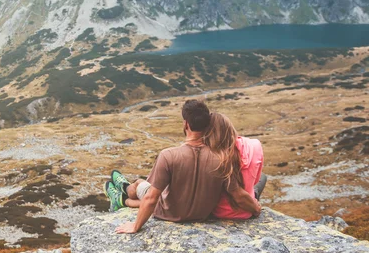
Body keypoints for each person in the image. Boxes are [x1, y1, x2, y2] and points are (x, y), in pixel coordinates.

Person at [104, 100, 260, 234]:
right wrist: (256, 208)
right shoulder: (222, 159)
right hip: (200, 215)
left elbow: (152, 198)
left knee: (139, 183)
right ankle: (122, 191)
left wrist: (136, 226)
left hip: (167, 213)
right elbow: (238, 194)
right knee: (146, 189)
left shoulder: (168, 155)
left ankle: (124, 195)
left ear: (186, 124)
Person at [204, 112, 267, 220]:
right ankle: (253, 199)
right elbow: (255, 180)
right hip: (246, 212)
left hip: (218, 212)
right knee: (263, 177)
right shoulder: (255, 145)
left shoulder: (209, 155)